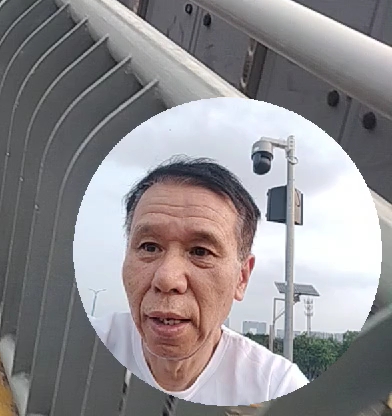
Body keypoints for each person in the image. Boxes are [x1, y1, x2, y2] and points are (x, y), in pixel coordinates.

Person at [90, 158, 308, 406]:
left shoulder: (276, 388)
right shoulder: (80, 348)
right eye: (149, 247)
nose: (167, 279)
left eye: (200, 252)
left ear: (242, 277)